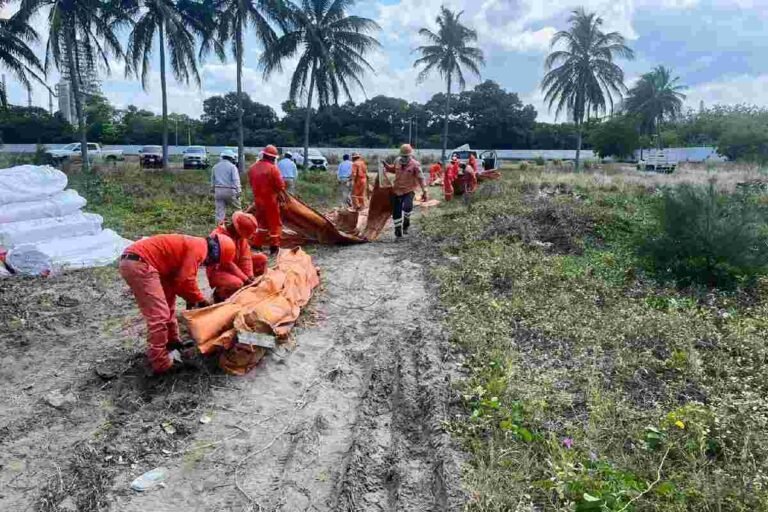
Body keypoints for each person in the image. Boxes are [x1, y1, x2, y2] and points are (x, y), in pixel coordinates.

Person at [119, 233, 236, 374]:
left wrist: (192, 298)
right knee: (159, 316)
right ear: (216, 254)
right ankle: (160, 363)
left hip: (148, 263)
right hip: (140, 264)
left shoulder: (196, 244)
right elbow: (186, 281)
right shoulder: (200, 248)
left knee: (169, 304)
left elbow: (179, 282)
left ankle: (173, 341)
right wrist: (201, 301)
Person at [206, 211, 269, 302]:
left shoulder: (240, 237)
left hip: (235, 265)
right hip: (218, 270)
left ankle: (243, 289)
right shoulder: (217, 237)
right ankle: (219, 295)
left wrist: (250, 276)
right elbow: (227, 263)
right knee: (237, 283)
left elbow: (245, 257)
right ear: (237, 230)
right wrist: (245, 279)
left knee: (262, 259)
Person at [248, 145, 287, 255]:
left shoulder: (252, 168)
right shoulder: (273, 169)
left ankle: (257, 244)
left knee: (261, 223)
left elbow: (251, 183)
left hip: (258, 201)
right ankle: (274, 246)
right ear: (273, 158)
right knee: (275, 223)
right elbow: (280, 186)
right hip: (271, 201)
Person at [384, 144, 428, 238]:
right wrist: (387, 167)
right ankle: (398, 230)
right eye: (403, 156)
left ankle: (406, 222)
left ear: (410, 155)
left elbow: (421, 178)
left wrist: (425, 191)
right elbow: (393, 169)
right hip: (397, 190)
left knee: (407, 207)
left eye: (406, 156)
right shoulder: (397, 161)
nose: (404, 158)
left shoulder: (415, 164)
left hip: (409, 190)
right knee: (396, 211)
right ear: (400, 155)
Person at [211, 150, 242, 223]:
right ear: (231, 158)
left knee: (220, 211)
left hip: (218, 190)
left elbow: (213, 179)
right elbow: (235, 179)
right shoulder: (232, 167)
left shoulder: (215, 167)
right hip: (230, 190)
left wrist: (212, 189)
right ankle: (239, 224)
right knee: (237, 209)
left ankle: (220, 227)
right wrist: (239, 190)